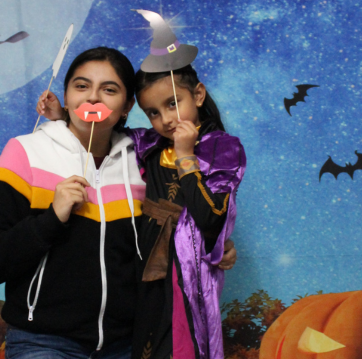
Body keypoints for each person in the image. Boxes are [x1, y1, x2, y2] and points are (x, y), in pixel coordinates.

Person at [37, 64, 244, 358]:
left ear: (198, 95)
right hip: (145, 267)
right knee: (145, 343)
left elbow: (211, 218)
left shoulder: (221, 148)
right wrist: (62, 116)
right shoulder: (151, 144)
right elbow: (104, 132)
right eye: (153, 113)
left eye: (173, 104)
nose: (166, 119)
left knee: (179, 344)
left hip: (186, 270)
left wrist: (186, 157)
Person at [0, 47, 146, 359]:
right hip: (43, 343)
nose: (93, 98)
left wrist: (212, 246)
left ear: (128, 104)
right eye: (81, 86)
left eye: (109, 89)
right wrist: (52, 218)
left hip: (126, 344)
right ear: (66, 95)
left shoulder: (143, 162)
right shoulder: (25, 153)